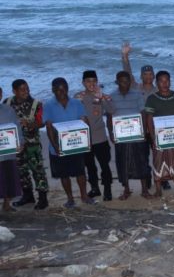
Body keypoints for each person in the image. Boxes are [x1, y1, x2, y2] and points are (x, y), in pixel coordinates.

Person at [43, 77, 94, 208]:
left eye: (65, 88)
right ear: (53, 90)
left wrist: (87, 141)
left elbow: (84, 121)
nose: (62, 92)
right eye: (59, 90)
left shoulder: (77, 103)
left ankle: (84, 196)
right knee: (64, 175)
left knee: (80, 172)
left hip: (76, 145)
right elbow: (49, 128)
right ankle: (70, 198)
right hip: (57, 147)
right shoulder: (48, 105)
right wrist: (55, 147)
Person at [106, 71, 152, 200]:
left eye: (127, 81)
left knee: (141, 161)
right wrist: (110, 132)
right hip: (121, 135)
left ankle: (144, 190)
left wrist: (143, 131)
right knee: (122, 163)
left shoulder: (137, 95)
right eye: (121, 81)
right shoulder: (111, 96)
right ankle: (126, 189)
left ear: (130, 82)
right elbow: (109, 116)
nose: (124, 84)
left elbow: (143, 113)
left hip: (137, 134)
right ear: (117, 82)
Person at [4, 79, 49, 209]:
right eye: (22, 89)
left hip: (32, 145)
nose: (26, 92)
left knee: (38, 171)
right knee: (21, 172)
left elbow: (42, 122)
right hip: (15, 145)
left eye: (27, 88)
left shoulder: (36, 104)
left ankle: (43, 199)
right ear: (14, 91)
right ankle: (28, 196)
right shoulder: (7, 103)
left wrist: (30, 124)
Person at [144, 71, 174, 197]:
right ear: (156, 83)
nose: (165, 84)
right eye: (161, 81)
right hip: (159, 138)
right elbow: (149, 120)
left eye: (167, 81)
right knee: (158, 162)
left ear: (170, 81)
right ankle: (158, 189)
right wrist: (153, 138)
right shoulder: (152, 99)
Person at [121, 41, 159, 189]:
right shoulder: (135, 88)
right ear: (141, 76)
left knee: (158, 155)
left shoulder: (158, 91)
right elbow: (127, 75)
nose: (148, 76)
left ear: (154, 76)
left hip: (155, 129)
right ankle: (147, 178)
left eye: (150, 74)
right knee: (143, 157)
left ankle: (163, 178)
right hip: (140, 129)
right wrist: (125, 56)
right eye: (145, 74)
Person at [74, 70, 114, 201]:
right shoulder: (77, 97)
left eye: (93, 81)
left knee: (104, 165)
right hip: (84, 139)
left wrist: (101, 97)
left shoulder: (103, 96)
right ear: (83, 83)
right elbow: (73, 115)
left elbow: (111, 111)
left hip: (100, 137)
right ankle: (95, 188)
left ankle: (107, 189)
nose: (91, 83)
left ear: (97, 81)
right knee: (89, 166)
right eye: (88, 81)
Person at [0, 86, 24, 212]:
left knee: (9, 177)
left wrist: (20, 142)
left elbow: (17, 127)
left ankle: (6, 203)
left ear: (1, 94)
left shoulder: (8, 110)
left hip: (8, 151)